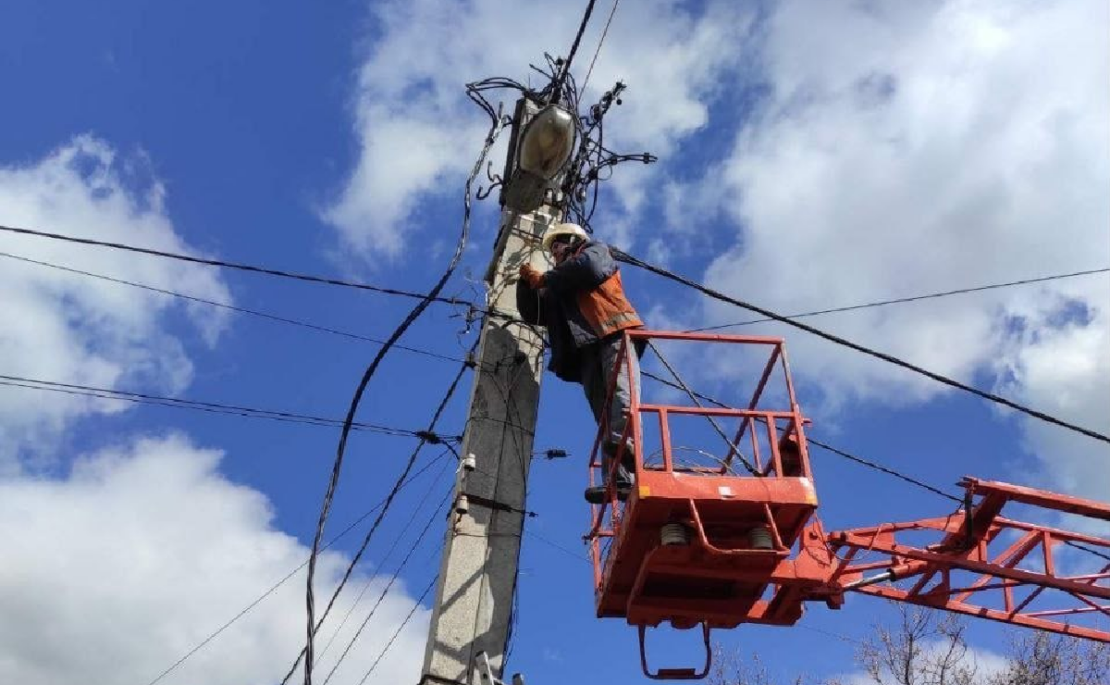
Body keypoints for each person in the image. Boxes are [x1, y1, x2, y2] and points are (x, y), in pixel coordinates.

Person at [517, 222, 644, 504]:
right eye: (551, 249)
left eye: (557, 245)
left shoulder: (594, 251)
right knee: (604, 416)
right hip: (586, 350)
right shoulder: (558, 281)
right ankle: (619, 481)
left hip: (614, 332)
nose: (554, 252)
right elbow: (535, 313)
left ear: (573, 240)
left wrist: (545, 278)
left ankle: (628, 450)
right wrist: (525, 284)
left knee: (622, 398)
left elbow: (590, 269)